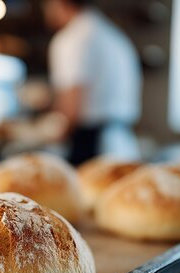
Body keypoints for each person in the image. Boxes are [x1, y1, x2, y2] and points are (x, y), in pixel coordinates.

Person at [42, 0, 142, 164]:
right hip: (123, 145)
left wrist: (47, 135)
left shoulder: (73, 39)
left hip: (91, 147)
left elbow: (72, 104)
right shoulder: (111, 34)